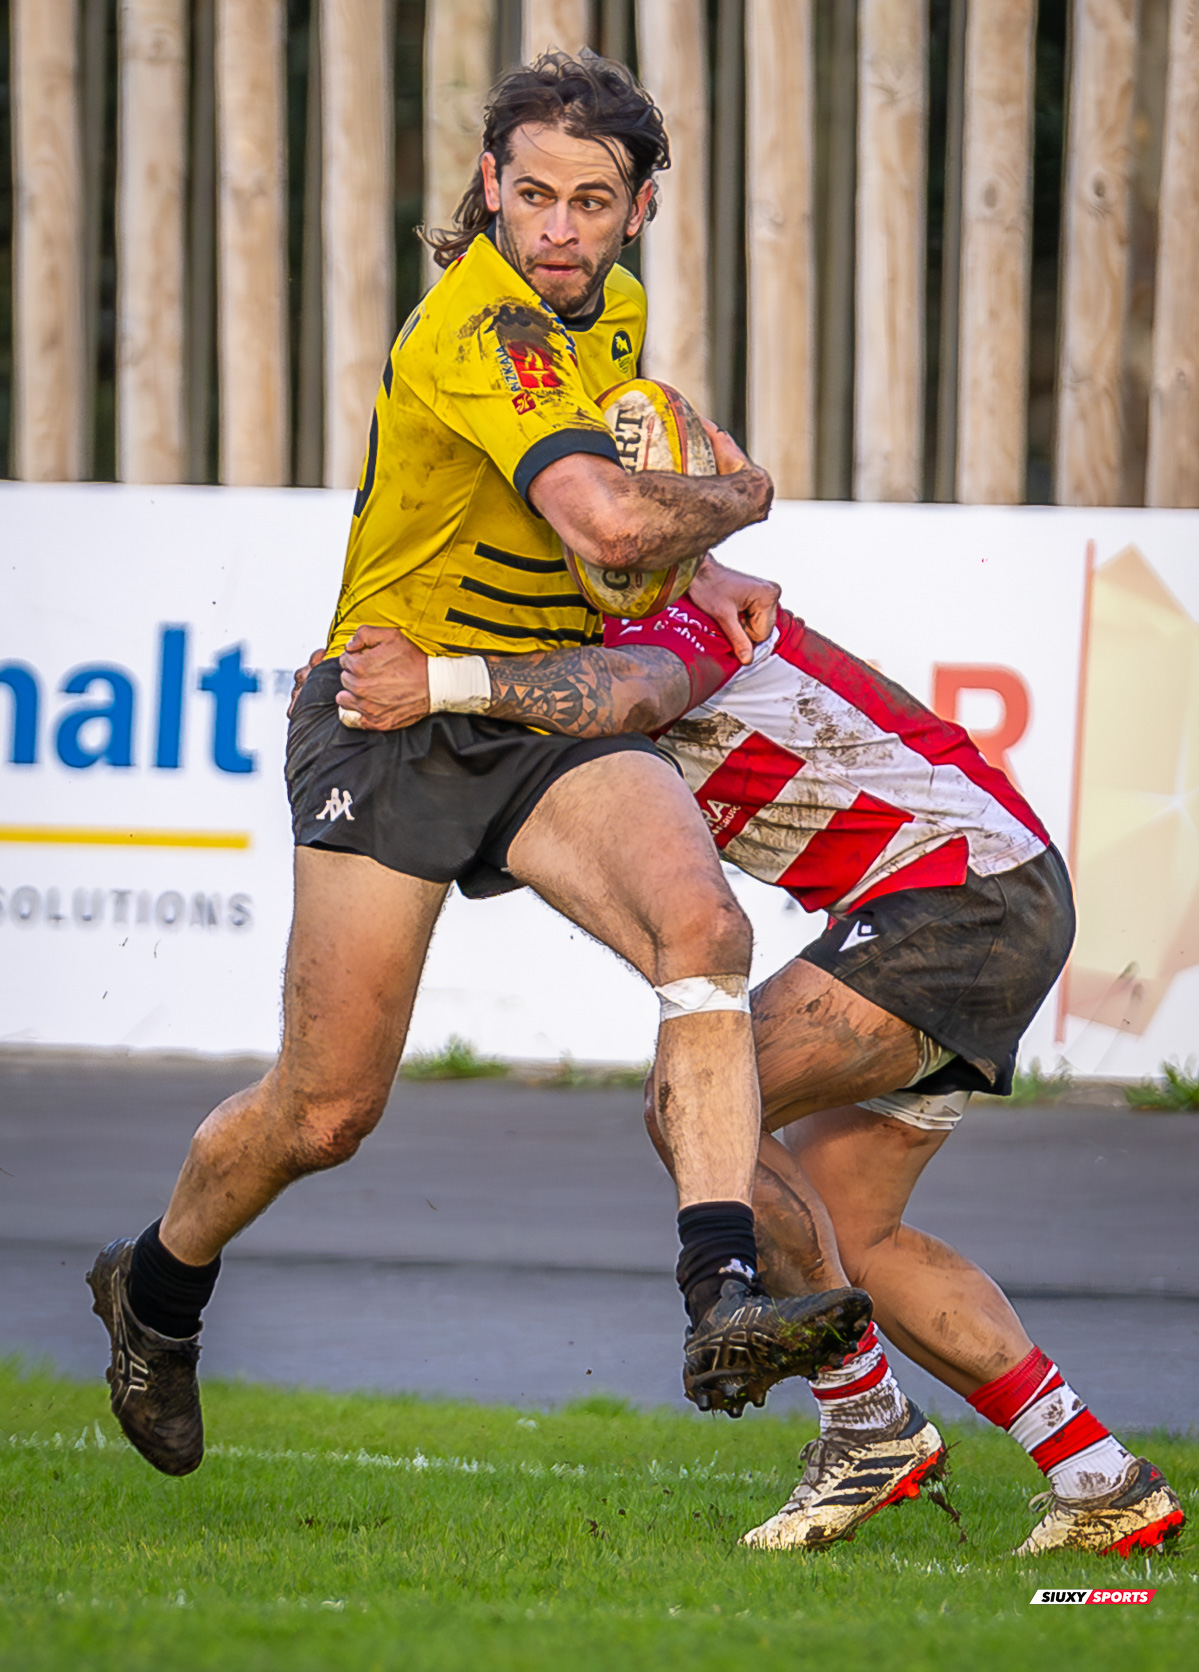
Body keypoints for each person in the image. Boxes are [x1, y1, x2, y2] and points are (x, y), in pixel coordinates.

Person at [86, 53, 870, 1481]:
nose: (557, 228)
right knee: (323, 1113)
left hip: (537, 712)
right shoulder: (477, 330)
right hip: (388, 717)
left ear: (636, 209)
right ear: (489, 189)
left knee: (701, 930)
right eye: (530, 196)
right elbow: (611, 524)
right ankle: (156, 1286)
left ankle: (719, 1297)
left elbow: (608, 545)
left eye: (589, 200)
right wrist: (738, 498)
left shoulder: (613, 316)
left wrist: (706, 550)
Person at [303, 584, 1186, 1560]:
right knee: (856, 1234)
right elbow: (519, 820)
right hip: (975, 896)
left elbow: (626, 696)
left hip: (959, 893)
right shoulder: (578, 637)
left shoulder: (668, 607)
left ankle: (866, 1429)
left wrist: (438, 684)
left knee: (692, 1101)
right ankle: (1096, 1479)